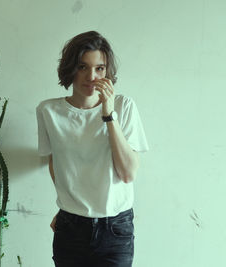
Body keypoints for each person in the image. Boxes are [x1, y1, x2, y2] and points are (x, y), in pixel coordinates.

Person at [36, 31, 149, 266]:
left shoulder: (123, 106)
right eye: (82, 67)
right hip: (70, 228)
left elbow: (128, 173)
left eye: (100, 68)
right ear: (70, 69)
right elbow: (55, 162)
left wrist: (108, 115)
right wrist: (68, 203)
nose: (91, 76)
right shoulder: (48, 112)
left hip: (115, 229)